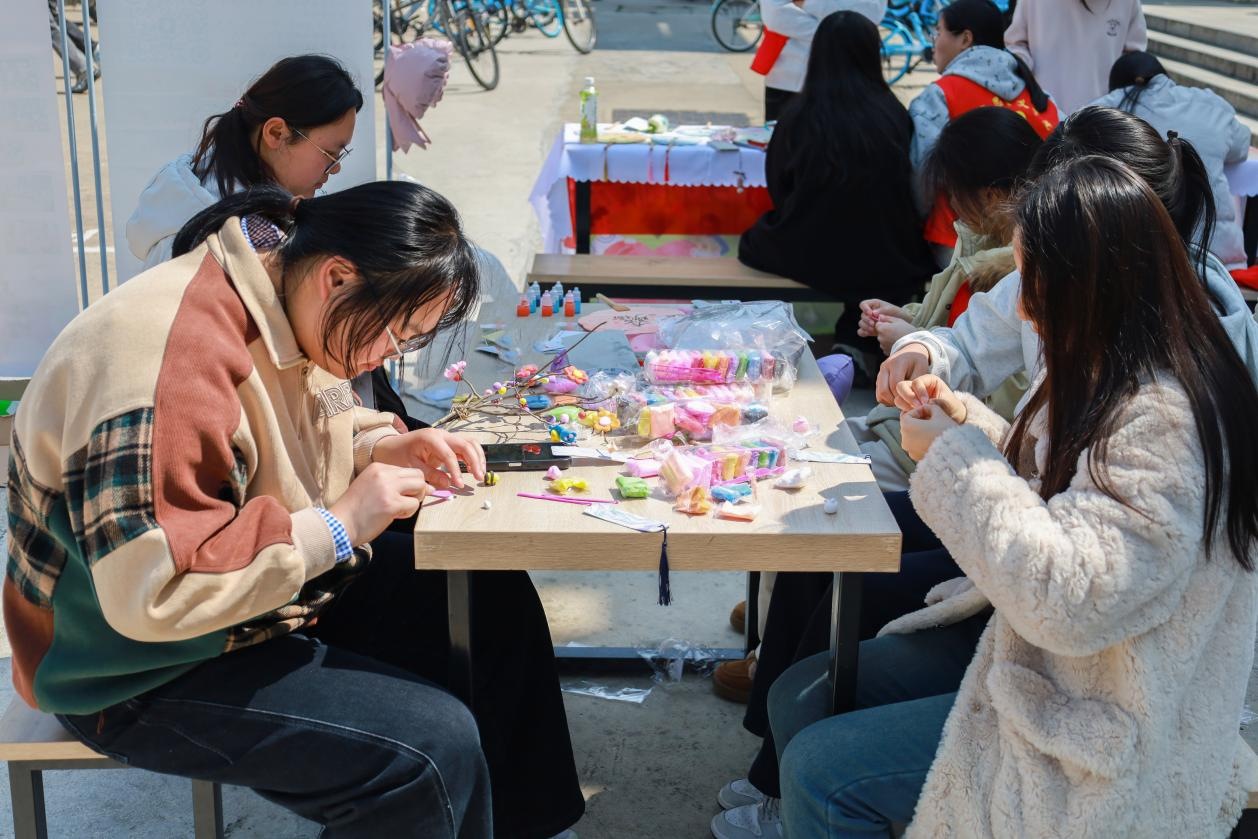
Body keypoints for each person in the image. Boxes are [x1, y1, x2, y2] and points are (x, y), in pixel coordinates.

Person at [712, 105, 1258, 839]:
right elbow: (1053, 480)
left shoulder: (1163, 412)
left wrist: (954, 456)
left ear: (1094, 272)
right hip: (1050, 652)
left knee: (819, 765)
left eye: (1031, 284)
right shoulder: (1114, 335)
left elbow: (1069, 598)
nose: (1021, 309)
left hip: (1107, 711)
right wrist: (960, 414)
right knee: (799, 695)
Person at [6, 182, 583, 838]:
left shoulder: (283, 286)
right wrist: (340, 524)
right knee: (424, 751)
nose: (388, 355)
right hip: (125, 663)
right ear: (338, 276)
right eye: (398, 334)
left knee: (486, 594)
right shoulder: (169, 364)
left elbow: (308, 414)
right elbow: (159, 592)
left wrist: (381, 445)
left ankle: (524, 827)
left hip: (244, 601)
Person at [878, 107, 1258, 414]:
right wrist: (925, 352)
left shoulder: (1166, 388)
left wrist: (962, 443)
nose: (1022, 309)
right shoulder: (1059, 276)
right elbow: (972, 341)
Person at [853, 106, 1042, 492]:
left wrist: (913, 337)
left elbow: (1006, 396)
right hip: (938, 430)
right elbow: (964, 341)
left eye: (954, 194)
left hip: (962, 452)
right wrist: (916, 338)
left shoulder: (1024, 268)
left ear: (991, 195)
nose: (951, 206)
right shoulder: (984, 244)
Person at [739, 11, 936, 361]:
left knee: (753, 242)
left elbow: (779, 188)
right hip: (885, 252)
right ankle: (855, 342)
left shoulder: (798, 114)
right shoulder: (892, 112)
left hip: (811, 247)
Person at [127, 55, 362, 271]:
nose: (336, 167)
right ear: (276, 133)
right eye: (329, 153)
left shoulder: (243, 198)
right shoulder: (204, 249)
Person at [908, 0, 1058, 257]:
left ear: (965, 39)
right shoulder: (1039, 97)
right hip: (1034, 240)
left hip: (957, 243)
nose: (934, 42)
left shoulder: (938, 97)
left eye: (939, 32)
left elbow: (923, 177)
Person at [1094, 51, 1252, 272]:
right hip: (1223, 260)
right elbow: (1241, 147)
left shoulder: (1107, 109)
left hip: (1151, 265)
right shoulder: (1209, 104)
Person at [1005, 0, 1147, 115]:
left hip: (1101, 118)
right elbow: (1017, 44)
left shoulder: (1128, 3)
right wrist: (1022, 68)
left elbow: (1133, 59)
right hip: (1044, 114)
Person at [756, 0, 886, 121]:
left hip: (851, 77)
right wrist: (840, 29)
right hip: (788, 79)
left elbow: (871, 12)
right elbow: (775, 16)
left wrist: (805, 3)